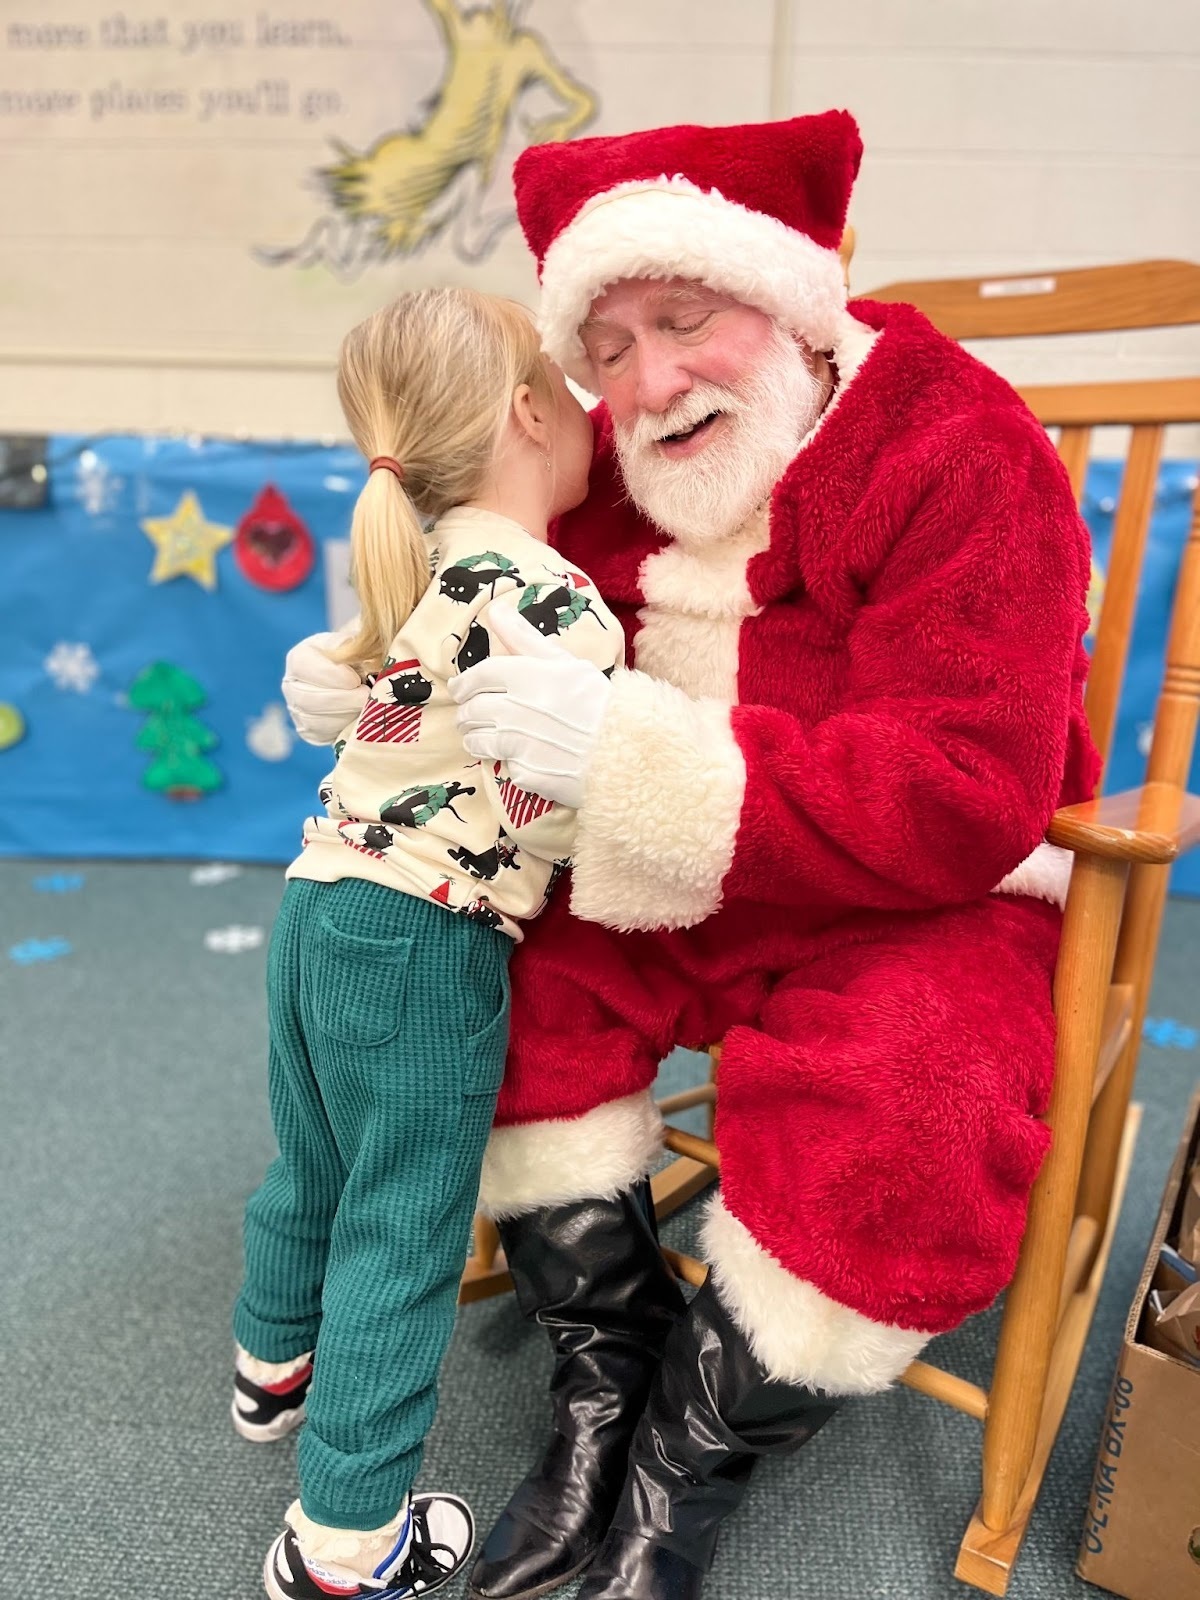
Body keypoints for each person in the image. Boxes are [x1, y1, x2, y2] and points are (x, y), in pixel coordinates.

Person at [283, 112, 1100, 1600]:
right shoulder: (608, 463)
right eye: (607, 341)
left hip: (927, 892)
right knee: (496, 993)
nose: (646, 381)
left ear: (788, 297)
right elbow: (486, 593)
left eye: (681, 318)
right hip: (675, 871)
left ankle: (684, 1457)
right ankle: (607, 1378)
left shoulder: (960, 445)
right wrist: (382, 678)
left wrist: (632, 761)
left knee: (914, 1097)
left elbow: (971, 789)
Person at [232, 286, 623, 1600]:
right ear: (528, 411)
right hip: (425, 938)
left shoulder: (418, 562)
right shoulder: (555, 597)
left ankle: (271, 1361)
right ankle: (348, 1547)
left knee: (317, 1165)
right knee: (405, 1225)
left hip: (314, 902)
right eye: (573, 389)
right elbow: (551, 803)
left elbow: (395, 727)